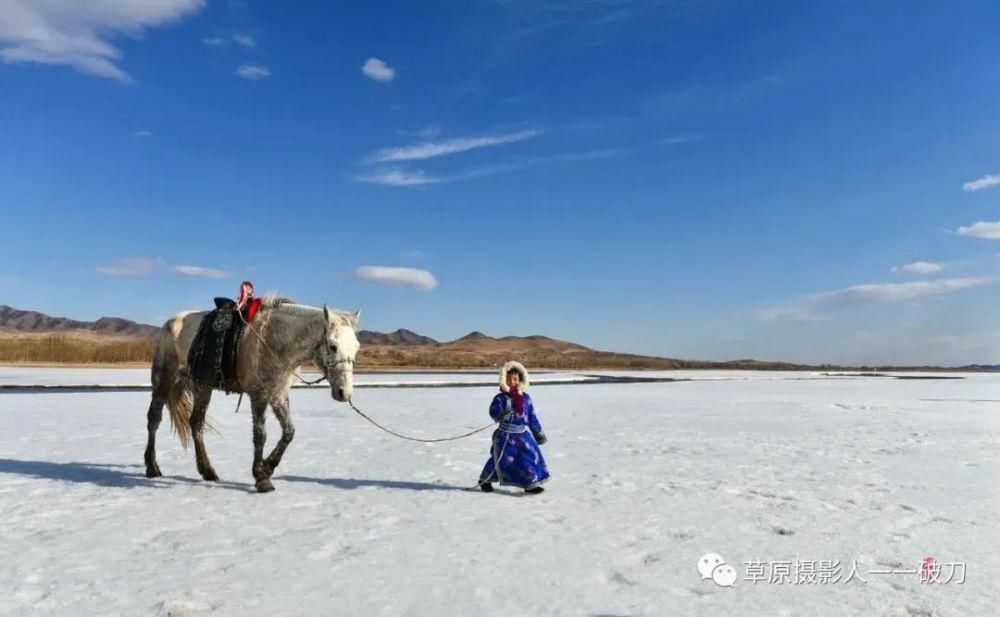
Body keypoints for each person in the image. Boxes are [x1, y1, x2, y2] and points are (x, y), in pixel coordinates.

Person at [478, 361, 550, 494]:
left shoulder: (526, 399)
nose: (512, 382)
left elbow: (532, 417)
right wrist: (501, 414)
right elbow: (493, 411)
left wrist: (538, 433)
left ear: (521, 379)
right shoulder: (500, 398)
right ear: (503, 379)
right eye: (509, 379)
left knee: (528, 458)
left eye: (515, 379)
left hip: (522, 436)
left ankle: (530, 483)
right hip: (505, 436)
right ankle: (485, 480)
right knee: (499, 459)